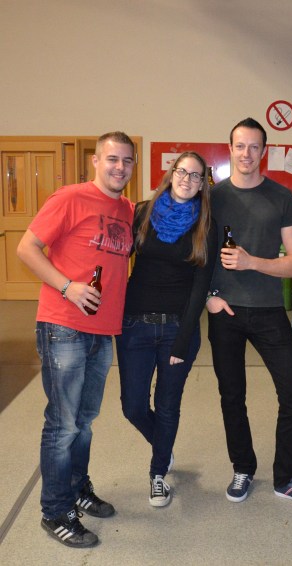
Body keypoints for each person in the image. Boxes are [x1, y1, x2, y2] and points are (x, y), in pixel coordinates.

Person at [16, 132, 136, 548]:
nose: (120, 167)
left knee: (84, 421)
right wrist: (68, 287)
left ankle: (77, 487)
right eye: (112, 159)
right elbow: (27, 248)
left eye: (127, 161)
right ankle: (55, 511)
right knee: (63, 423)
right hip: (64, 325)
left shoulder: (127, 209)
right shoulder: (70, 198)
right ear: (96, 162)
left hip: (103, 330)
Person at [205, 117, 292, 509]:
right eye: (240, 146)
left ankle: (285, 477)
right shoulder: (212, 198)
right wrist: (208, 297)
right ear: (230, 149)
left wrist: (252, 262)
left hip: (269, 311)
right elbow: (195, 255)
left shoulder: (282, 198)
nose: (247, 153)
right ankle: (243, 467)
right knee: (231, 395)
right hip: (224, 311)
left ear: (264, 151)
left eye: (254, 146)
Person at [115, 151, 218, 508]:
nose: (188, 180)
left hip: (177, 328)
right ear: (171, 173)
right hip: (134, 326)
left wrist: (183, 339)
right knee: (132, 406)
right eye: (182, 172)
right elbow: (117, 260)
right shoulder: (142, 212)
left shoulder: (206, 224)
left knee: (167, 405)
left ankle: (158, 473)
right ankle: (163, 445)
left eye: (196, 175)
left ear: (203, 183)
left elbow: (200, 286)